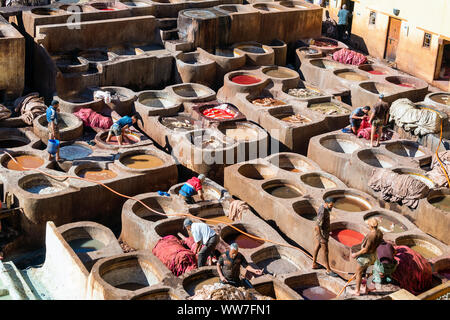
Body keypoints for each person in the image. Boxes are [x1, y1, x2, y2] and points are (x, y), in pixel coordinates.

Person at [349, 218, 384, 296]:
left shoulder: (371, 235)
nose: (368, 226)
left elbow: (365, 250)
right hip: (374, 256)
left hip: (365, 258)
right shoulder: (380, 233)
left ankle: (357, 291)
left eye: (368, 225)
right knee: (369, 272)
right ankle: (367, 289)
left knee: (359, 273)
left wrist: (356, 254)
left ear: (371, 226)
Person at [311, 197, 339, 277]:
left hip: (321, 233)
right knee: (325, 251)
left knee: (317, 246)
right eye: (330, 205)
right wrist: (322, 238)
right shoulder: (323, 211)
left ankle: (314, 264)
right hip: (322, 234)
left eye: (332, 205)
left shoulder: (322, 207)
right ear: (326, 203)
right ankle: (328, 270)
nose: (331, 207)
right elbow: (317, 226)